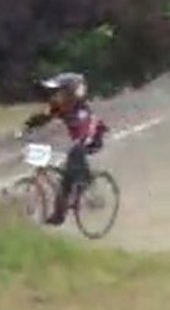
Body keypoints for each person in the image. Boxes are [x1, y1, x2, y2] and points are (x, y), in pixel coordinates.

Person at [22, 73, 109, 226]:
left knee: (75, 154)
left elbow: (88, 130)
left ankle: (84, 179)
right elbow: (42, 117)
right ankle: (59, 214)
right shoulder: (59, 107)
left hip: (92, 138)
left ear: (73, 94)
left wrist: (81, 142)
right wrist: (27, 127)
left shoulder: (82, 111)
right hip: (79, 141)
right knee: (65, 179)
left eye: (62, 93)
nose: (57, 96)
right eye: (57, 93)